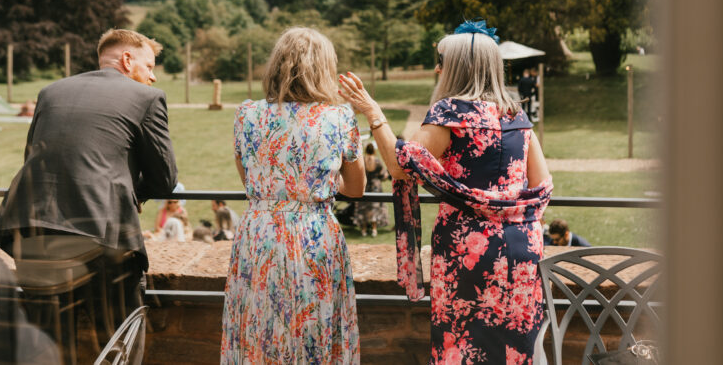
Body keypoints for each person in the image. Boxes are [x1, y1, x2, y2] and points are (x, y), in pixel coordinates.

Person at [339, 20, 553, 365]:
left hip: (467, 253)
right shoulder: (517, 115)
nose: (438, 68)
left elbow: (400, 165)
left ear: (456, 68)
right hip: (521, 249)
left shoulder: (449, 114)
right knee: (516, 347)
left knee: (463, 347)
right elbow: (542, 187)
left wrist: (373, 113)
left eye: (443, 62)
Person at [0, 28, 178, 355]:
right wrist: (130, 192)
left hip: (35, 228)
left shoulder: (50, 92)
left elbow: (35, 155)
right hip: (104, 231)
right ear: (127, 59)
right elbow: (165, 178)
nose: (152, 76)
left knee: (48, 346)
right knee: (120, 340)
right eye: (148, 66)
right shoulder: (147, 98)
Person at [221, 27, 365, 364]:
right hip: (314, 236)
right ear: (324, 69)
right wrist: (316, 187)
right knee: (315, 329)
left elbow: (250, 182)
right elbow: (356, 189)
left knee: (258, 329)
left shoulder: (247, 115)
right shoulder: (339, 117)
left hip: (259, 233)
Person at [353, 143, 390, 237]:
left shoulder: (362, 160)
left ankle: (364, 230)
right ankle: (374, 230)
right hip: (375, 187)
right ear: (374, 150)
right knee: (375, 207)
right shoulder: (377, 161)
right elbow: (383, 176)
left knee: (363, 207)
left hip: (364, 186)